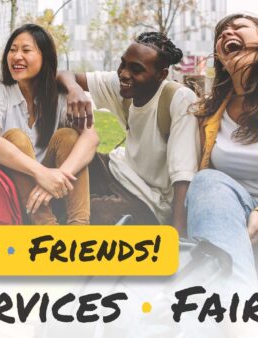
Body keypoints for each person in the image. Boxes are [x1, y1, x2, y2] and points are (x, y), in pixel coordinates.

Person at [186, 14, 258, 334]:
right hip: (232, 207)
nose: (227, 32)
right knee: (206, 181)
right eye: (221, 33)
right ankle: (242, 324)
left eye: (240, 27)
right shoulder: (211, 112)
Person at [57, 32, 199, 231]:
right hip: (118, 170)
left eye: (136, 69)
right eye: (123, 64)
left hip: (149, 199)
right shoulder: (123, 85)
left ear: (162, 75)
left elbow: (183, 176)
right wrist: (75, 89)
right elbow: (63, 74)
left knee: (90, 216)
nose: (124, 73)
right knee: (67, 147)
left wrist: (177, 237)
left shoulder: (178, 99)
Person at [0, 24, 99, 225]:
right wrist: (40, 173)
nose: (16, 56)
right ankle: (47, 228)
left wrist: (56, 176)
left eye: (26, 50)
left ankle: (79, 228)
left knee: (69, 136)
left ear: (45, 57)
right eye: (12, 50)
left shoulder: (59, 95)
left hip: (52, 191)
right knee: (15, 137)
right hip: (9, 189)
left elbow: (91, 137)